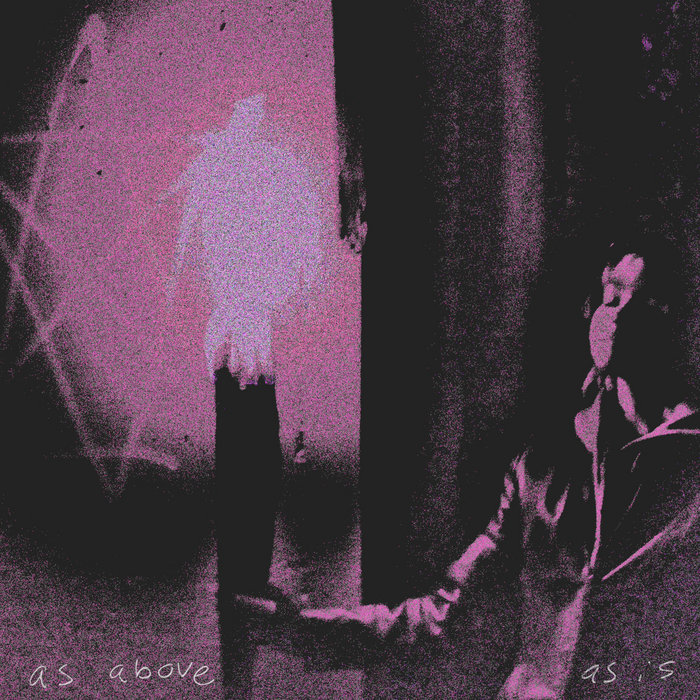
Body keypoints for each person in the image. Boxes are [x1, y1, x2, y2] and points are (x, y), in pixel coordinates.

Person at [231, 238, 697, 699]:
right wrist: (295, 628)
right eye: (611, 296)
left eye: (642, 301)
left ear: (677, 321)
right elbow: (440, 618)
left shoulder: (691, 474)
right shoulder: (539, 467)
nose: (618, 314)